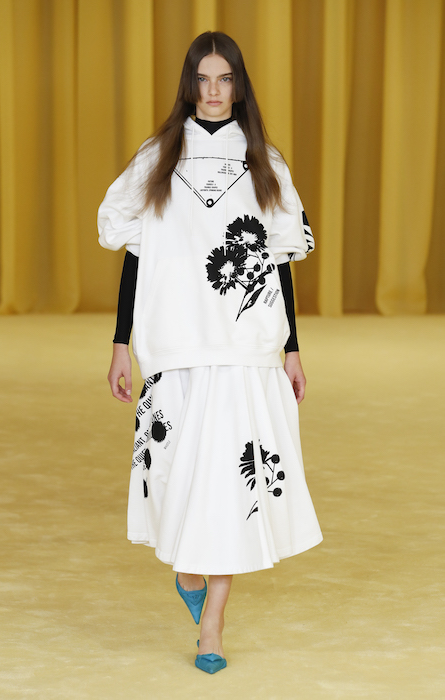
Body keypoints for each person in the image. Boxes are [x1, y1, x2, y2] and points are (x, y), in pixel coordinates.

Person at [97, 31, 322, 674]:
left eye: (225, 79)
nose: (214, 91)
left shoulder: (264, 162)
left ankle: (213, 626)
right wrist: (120, 344)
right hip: (177, 344)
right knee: (179, 477)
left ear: (239, 85)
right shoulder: (158, 158)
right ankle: (190, 575)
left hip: (246, 345)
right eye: (203, 79)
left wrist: (292, 349)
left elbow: (278, 262)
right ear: (189, 84)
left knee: (233, 483)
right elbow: (135, 257)